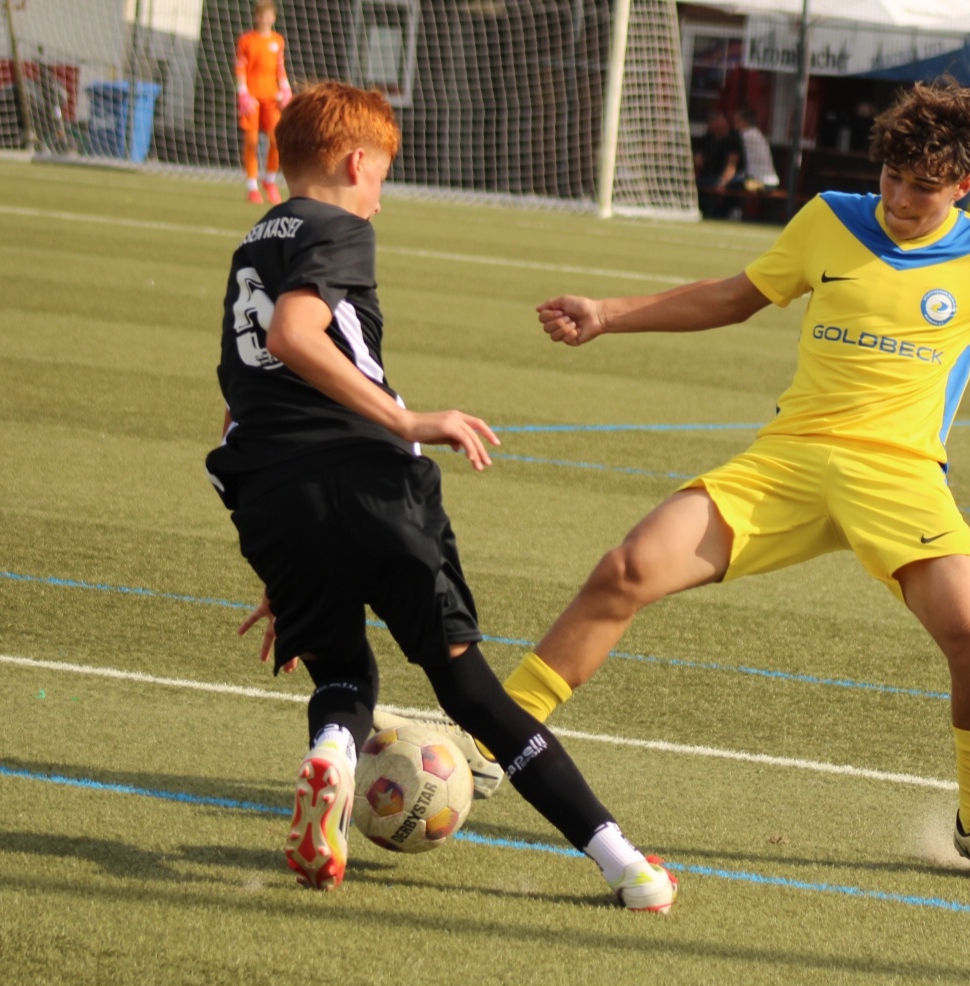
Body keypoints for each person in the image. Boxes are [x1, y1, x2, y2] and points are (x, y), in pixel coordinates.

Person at [504, 78, 970, 890]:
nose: (900, 200)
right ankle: (495, 738)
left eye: (922, 187)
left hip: (900, 477)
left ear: (962, 185)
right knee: (624, 570)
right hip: (790, 460)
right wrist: (608, 312)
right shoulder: (828, 219)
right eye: (892, 178)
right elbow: (733, 297)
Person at [205, 81, 676, 911]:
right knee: (469, 690)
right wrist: (407, 418)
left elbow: (244, 399)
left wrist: (287, 567)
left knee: (343, 671)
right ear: (357, 163)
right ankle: (628, 869)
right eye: (382, 178)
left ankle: (333, 753)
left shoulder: (252, 247)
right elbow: (295, 335)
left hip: (269, 492)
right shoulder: (338, 227)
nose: (380, 199)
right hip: (369, 477)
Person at [235, 1, 293, 204]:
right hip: (252, 98)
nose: (265, 19)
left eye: (268, 16)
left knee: (276, 139)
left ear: (273, 18)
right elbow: (241, 68)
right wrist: (243, 93)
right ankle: (252, 186)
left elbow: (280, 68)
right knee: (251, 141)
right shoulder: (246, 40)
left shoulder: (278, 41)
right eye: (261, 15)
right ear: (256, 17)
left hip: (272, 97)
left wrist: (285, 88)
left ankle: (270, 180)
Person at [694, 109, 742, 218]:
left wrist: (723, 181)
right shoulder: (707, 138)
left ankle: (732, 212)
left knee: (725, 184)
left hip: (732, 176)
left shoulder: (733, 138)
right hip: (709, 175)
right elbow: (698, 161)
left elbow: (732, 165)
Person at [731, 106, 780, 190]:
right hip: (771, 181)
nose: (734, 125)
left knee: (728, 185)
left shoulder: (745, 135)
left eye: (736, 121)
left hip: (758, 180)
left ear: (745, 122)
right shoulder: (757, 134)